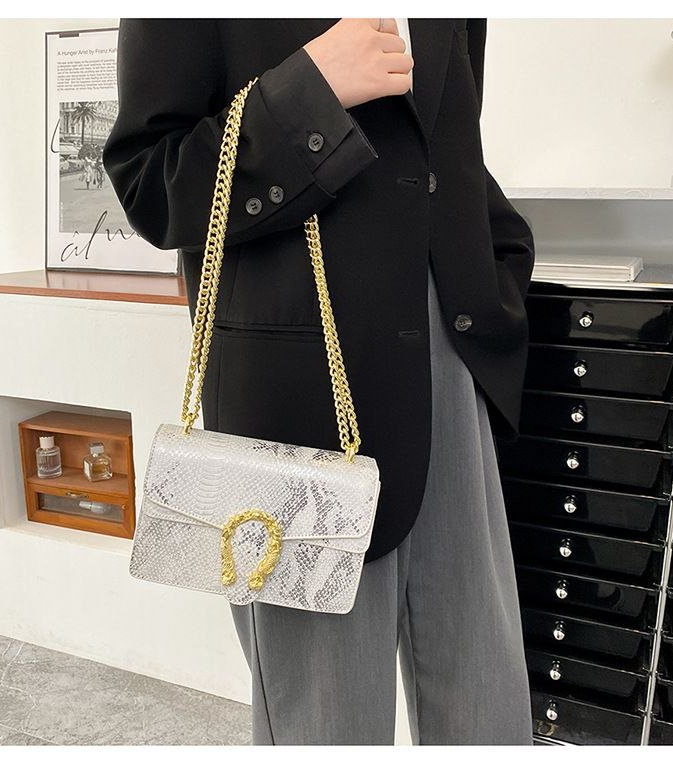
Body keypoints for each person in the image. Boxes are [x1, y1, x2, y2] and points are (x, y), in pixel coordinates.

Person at [104, 17, 535, 746]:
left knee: (486, 715)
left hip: (454, 369)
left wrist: (499, 267)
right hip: (299, 399)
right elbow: (152, 183)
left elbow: (444, 143)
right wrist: (309, 93)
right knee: (324, 727)